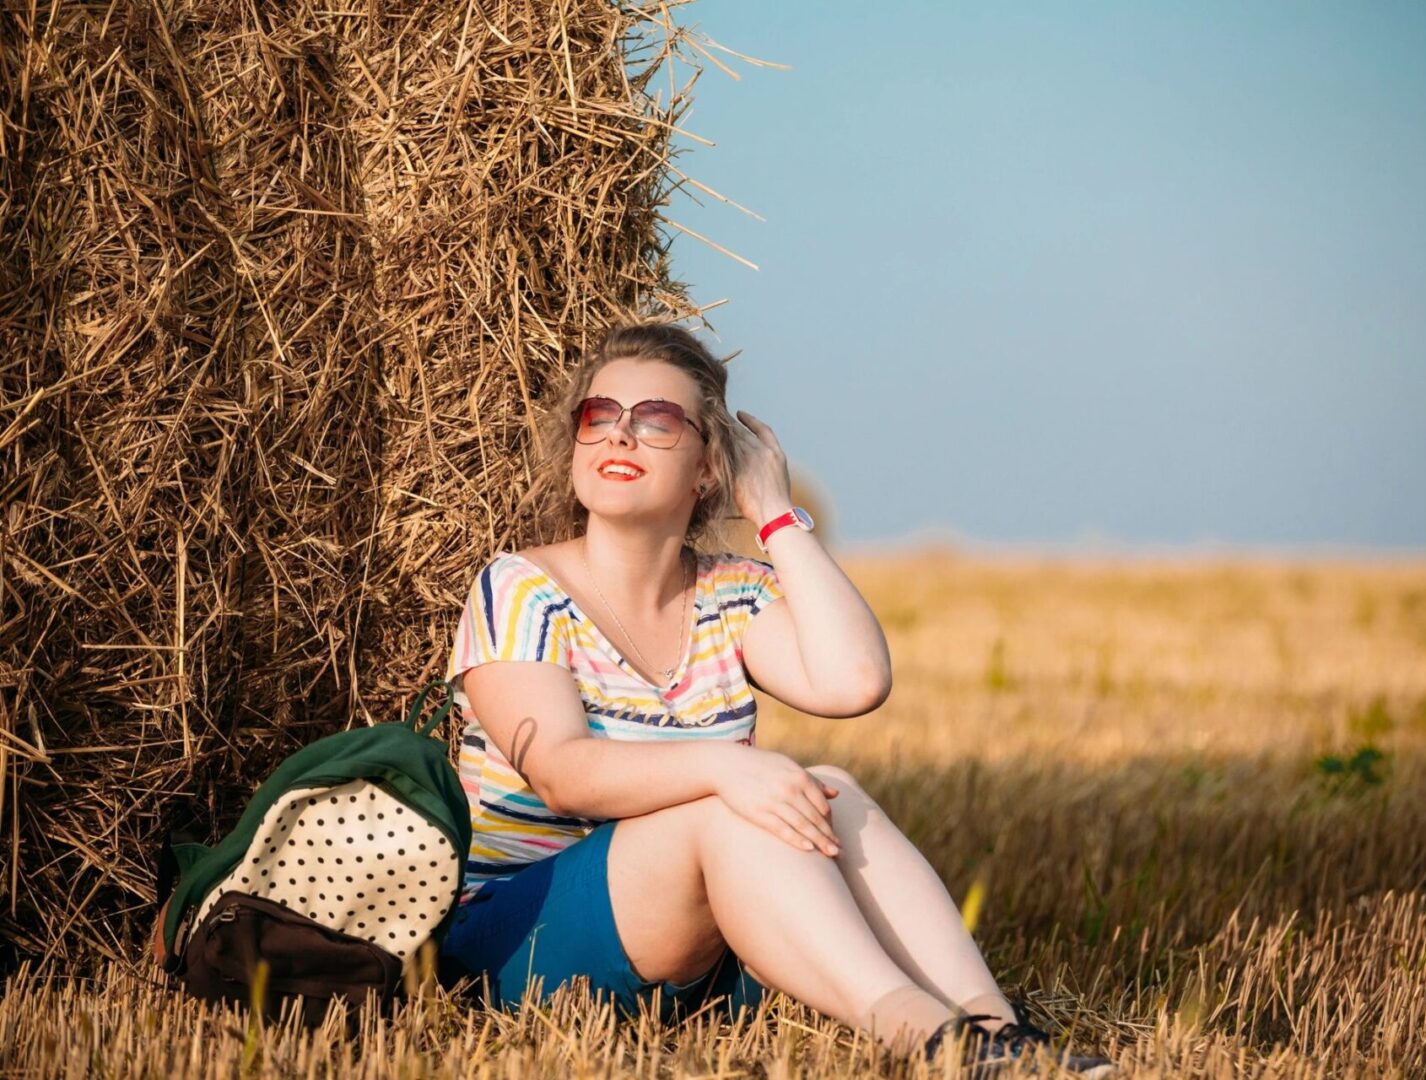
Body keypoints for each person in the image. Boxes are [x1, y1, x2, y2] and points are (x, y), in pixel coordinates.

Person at [438, 323, 1115, 1077]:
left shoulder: (731, 593)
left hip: (699, 950)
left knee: (836, 792)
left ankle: (997, 1032)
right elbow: (562, 770)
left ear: (706, 468)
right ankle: (929, 1038)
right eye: (599, 415)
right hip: (519, 942)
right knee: (728, 804)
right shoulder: (519, 587)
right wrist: (727, 770)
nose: (619, 434)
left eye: (657, 420)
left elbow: (854, 682)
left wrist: (776, 512)